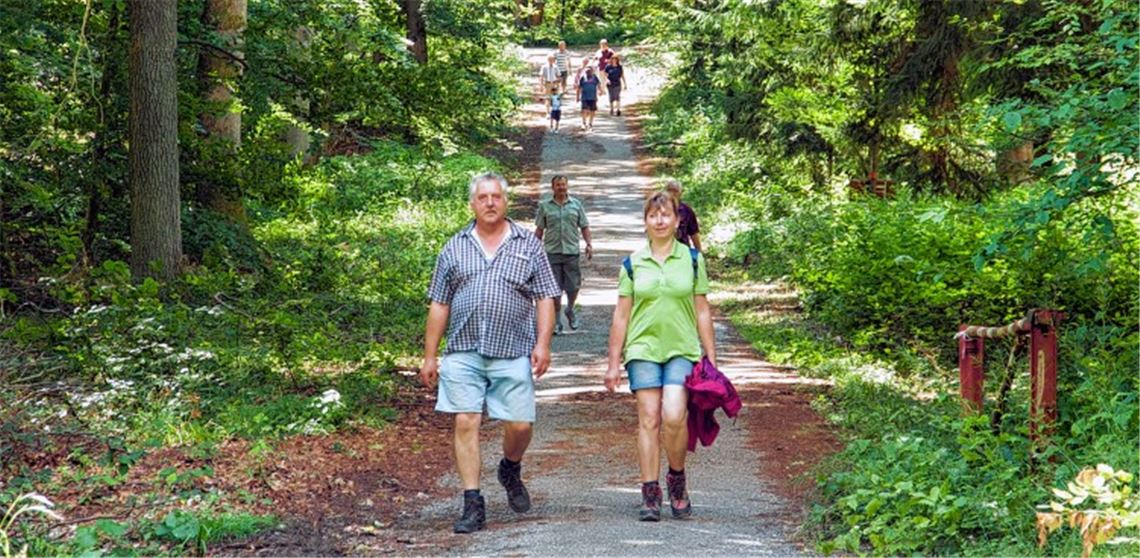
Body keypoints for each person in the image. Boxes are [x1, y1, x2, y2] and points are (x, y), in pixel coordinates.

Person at [421, 172, 561, 534]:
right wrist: (430, 355)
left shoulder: (528, 245)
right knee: (466, 420)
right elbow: (439, 303)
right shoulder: (454, 247)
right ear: (472, 203)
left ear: (506, 201)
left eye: (496, 196)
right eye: (482, 197)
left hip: (512, 350)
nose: (489, 203)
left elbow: (546, 296)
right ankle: (472, 502)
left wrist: (543, 343)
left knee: (520, 424)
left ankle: (510, 467)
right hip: (463, 349)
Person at [604, 191, 717, 522]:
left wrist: (711, 357)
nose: (660, 220)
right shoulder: (632, 264)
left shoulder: (692, 260)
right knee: (649, 418)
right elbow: (621, 316)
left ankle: (677, 478)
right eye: (653, 215)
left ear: (678, 220)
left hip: (682, 348)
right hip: (643, 350)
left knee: (674, 415)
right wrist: (613, 363)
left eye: (666, 214)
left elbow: (702, 310)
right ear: (645, 222)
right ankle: (650, 492)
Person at [535, 175, 593, 335]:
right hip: (552, 253)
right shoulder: (545, 206)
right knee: (555, 289)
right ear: (552, 187)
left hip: (571, 252)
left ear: (567, 186)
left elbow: (584, 226)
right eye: (558, 185)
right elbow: (539, 230)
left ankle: (570, 309)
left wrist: (589, 244)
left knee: (573, 287)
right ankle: (557, 320)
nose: (561, 187)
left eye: (563, 185)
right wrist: (533, 249)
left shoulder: (576, 205)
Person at [664, 180, 702, 251]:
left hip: (683, 250)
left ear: (680, 193)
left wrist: (699, 252)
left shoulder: (687, 210)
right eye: (669, 190)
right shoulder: (659, 208)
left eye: (675, 191)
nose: (672, 193)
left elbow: (694, 233)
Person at [577, 66, 603, 131]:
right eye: (587, 71)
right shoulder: (583, 78)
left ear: (592, 71)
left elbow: (598, 84)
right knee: (584, 110)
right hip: (584, 97)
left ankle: (590, 123)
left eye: (590, 71)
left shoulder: (595, 77)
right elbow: (579, 87)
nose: (588, 72)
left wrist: (600, 91)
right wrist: (577, 97)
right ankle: (584, 123)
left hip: (593, 97)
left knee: (592, 111)